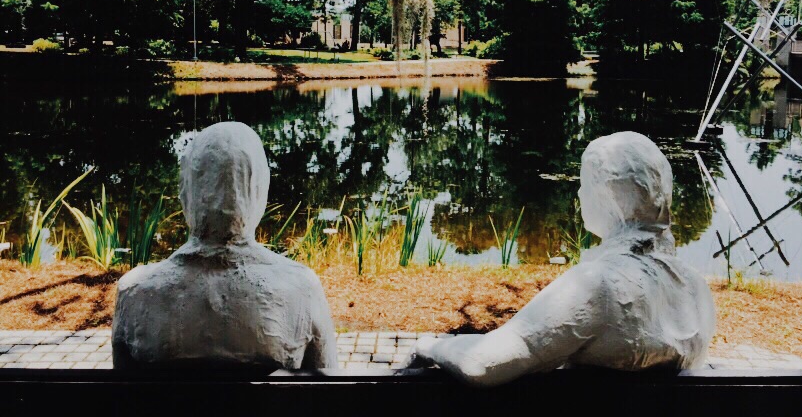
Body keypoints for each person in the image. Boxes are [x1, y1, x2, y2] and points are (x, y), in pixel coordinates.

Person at [409, 131, 715, 386]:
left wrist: (431, 345)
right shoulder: (696, 288)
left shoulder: (599, 285)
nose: (579, 194)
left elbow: (483, 363)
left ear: (607, 195)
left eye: (585, 184)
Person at [112, 121, 338, 370]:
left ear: (186, 189)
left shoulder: (135, 292)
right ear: (259, 189)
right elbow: (328, 380)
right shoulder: (301, 290)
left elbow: (122, 389)